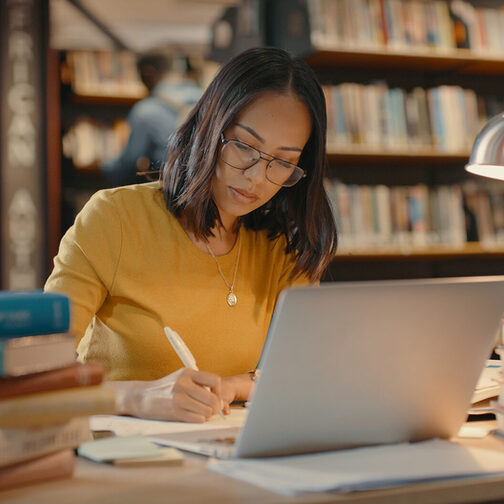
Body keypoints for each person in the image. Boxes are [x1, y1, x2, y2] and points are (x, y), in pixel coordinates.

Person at [44, 47, 338, 423]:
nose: (257, 177)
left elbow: (301, 373)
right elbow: (36, 374)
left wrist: (233, 387)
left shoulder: (283, 247)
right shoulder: (115, 218)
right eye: (245, 147)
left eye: (282, 162)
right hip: (117, 454)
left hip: (222, 454)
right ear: (209, 126)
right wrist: (137, 396)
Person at [101, 52, 202, 186]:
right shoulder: (205, 97)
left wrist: (105, 166)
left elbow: (127, 165)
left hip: (171, 190)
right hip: (204, 188)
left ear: (148, 73)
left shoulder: (146, 111)